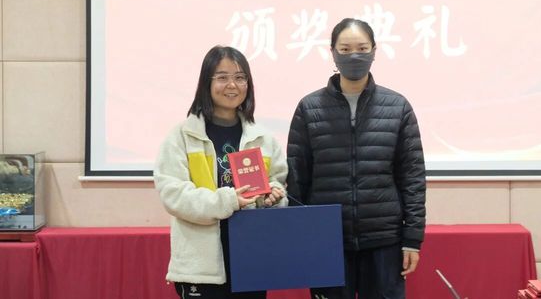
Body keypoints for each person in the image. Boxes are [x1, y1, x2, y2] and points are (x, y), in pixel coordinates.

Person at [286, 18, 426, 299]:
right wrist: (300, 237)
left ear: (374, 51)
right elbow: (297, 178)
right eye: (345, 49)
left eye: (362, 48)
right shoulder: (309, 108)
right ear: (333, 52)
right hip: (326, 240)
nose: (354, 56)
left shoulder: (397, 107)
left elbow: (412, 179)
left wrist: (412, 239)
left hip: (384, 241)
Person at [155, 45, 288, 299]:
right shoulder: (183, 136)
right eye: (222, 77)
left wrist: (273, 195)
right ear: (207, 82)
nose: (232, 85)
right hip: (201, 265)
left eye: (240, 77)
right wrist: (227, 201)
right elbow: (173, 194)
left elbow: (277, 182)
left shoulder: (263, 138)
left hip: (251, 260)